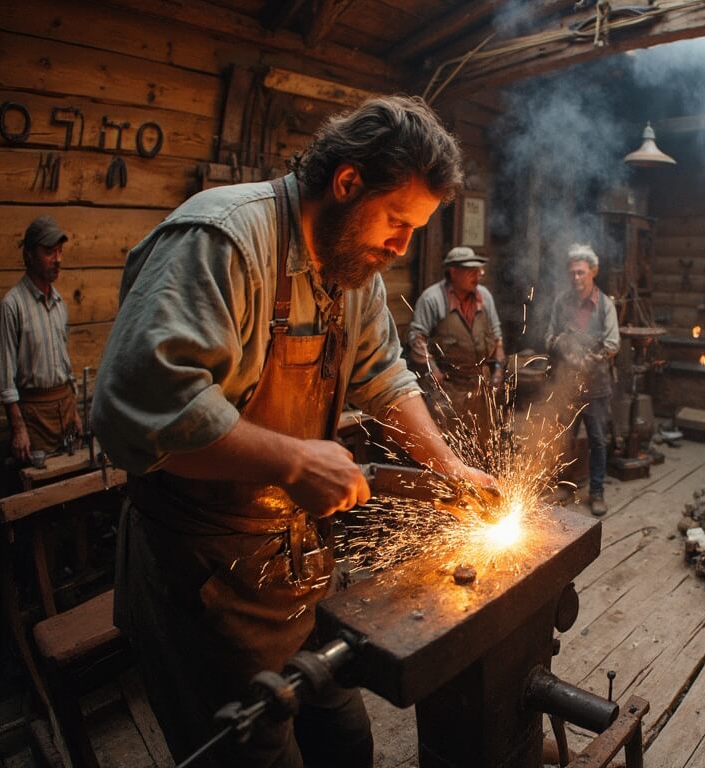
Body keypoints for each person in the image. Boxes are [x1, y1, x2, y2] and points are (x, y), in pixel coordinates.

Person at [91, 96, 495, 768]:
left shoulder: (351, 271)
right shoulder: (222, 240)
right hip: (199, 577)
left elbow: (385, 376)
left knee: (346, 742)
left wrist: (446, 465)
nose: (400, 246)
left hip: (295, 569)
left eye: (414, 230)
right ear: (346, 183)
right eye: (397, 222)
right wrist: (293, 462)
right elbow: (142, 408)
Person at [0, 216, 82, 468]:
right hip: (34, 417)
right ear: (29, 255)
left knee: (69, 481)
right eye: (49, 252)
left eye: (60, 251)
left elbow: (64, 365)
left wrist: (75, 412)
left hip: (65, 411)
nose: (57, 259)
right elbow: (5, 376)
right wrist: (19, 428)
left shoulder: (59, 304)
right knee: (39, 487)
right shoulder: (12, 306)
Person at [544, 244, 620, 517]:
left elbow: (612, 343)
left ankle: (597, 491)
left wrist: (589, 360)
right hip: (567, 385)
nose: (576, 278)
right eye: (572, 273)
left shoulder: (605, 305)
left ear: (593, 272)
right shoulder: (561, 302)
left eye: (581, 273)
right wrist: (564, 348)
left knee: (598, 440)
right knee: (565, 438)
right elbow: (549, 337)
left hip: (597, 385)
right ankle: (565, 486)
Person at [407, 246, 505, 446]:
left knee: (483, 442)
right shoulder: (433, 299)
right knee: (450, 443)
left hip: (480, 385)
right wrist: (433, 370)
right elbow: (417, 338)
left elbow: (496, 334)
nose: (478, 276)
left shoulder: (483, 297)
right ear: (453, 272)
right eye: (471, 271)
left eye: (479, 271)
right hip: (448, 387)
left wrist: (498, 369)